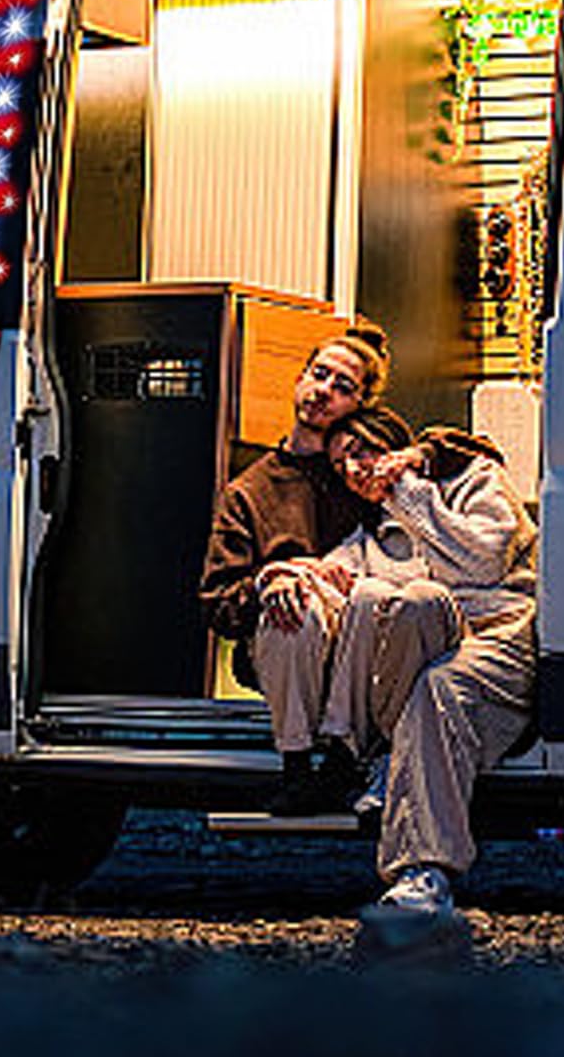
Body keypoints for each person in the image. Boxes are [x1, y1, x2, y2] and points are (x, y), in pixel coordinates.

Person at [314, 403, 537, 914]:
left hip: (496, 632)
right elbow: (336, 576)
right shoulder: (373, 536)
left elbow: (484, 560)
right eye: (340, 464)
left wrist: (407, 489)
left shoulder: (475, 478)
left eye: (362, 451)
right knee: (411, 611)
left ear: (393, 444)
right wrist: (291, 576)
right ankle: (418, 867)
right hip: (429, 649)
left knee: (441, 685)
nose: (353, 469)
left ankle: (421, 862)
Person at [198, 323, 389, 813]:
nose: (324, 391)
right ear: (300, 378)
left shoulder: (362, 477)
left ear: (360, 405)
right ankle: (299, 769)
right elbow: (217, 603)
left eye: (343, 387)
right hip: (287, 645)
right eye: (319, 375)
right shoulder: (249, 490)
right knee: (293, 608)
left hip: (363, 641)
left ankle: (346, 759)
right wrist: (270, 580)